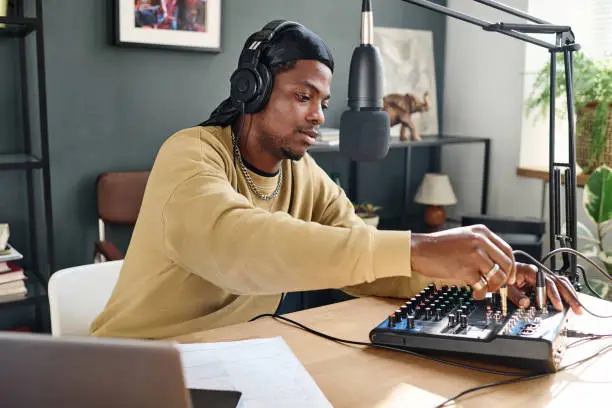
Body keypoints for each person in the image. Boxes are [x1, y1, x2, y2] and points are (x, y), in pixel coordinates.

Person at [90, 20, 581, 340]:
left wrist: (488, 278)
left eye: (323, 103)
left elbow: (365, 258)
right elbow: (238, 245)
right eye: (303, 97)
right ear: (252, 89)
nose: (317, 116)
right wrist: (416, 246)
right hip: (135, 369)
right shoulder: (190, 153)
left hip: (234, 360)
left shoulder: (304, 175)